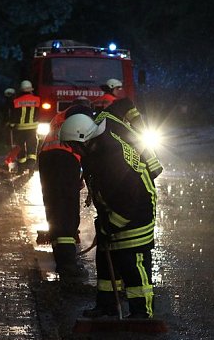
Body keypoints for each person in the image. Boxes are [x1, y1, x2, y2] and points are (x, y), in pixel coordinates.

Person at [58, 111, 157, 318]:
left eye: (74, 146)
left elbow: (128, 202)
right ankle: (107, 306)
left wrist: (109, 227)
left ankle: (142, 313)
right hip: (118, 208)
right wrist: (104, 224)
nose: (73, 150)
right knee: (106, 256)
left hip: (137, 211)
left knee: (131, 261)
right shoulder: (97, 148)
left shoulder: (113, 160)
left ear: (84, 140)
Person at [37, 99, 91, 277]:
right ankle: (68, 265)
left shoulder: (59, 117)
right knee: (67, 210)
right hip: (65, 158)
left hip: (47, 159)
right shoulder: (80, 111)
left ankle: (62, 259)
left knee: (54, 207)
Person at [94, 79, 163, 181]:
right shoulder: (118, 102)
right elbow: (135, 121)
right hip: (116, 132)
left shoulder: (98, 100)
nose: (121, 91)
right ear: (113, 88)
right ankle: (152, 171)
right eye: (119, 88)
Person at [9, 80, 41, 173]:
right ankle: (31, 166)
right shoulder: (37, 100)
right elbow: (39, 113)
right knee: (32, 146)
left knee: (20, 147)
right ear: (30, 90)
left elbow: (14, 115)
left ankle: (21, 167)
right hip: (32, 128)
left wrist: (11, 124)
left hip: (20, 128)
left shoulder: (16, 101)